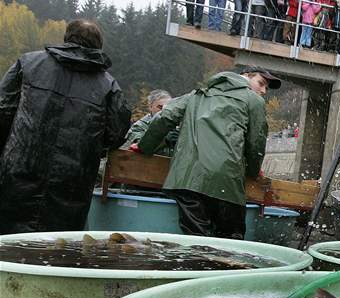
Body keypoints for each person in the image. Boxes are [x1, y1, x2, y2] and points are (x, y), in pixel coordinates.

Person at [0, 20, 131, 233]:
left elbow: (3, 110)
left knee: (7, 243)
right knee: (58, 249)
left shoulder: (28, 64)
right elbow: (117, 133)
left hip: (19, 170)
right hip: (72, 182)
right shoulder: (108, 85)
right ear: (98, 45)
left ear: (67, 38)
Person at [135, 66, 281, 239]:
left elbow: (164, 118)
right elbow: (256, 143)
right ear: (245, 76)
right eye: (261, 83)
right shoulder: (253, 101)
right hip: (227, 182)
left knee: (197, 242)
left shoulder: (196, 95)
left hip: (187, 180)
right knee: (229, 243)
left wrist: (145, 147)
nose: (264, 91)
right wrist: (253, 171)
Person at [123, 89, 174, 155]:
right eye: (160, 107)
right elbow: (141, 148)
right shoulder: (139, 126)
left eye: (168, 107)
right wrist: (165, 140)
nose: (163, 111)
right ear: (150, 107)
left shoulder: (177, 125)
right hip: (149, 163)